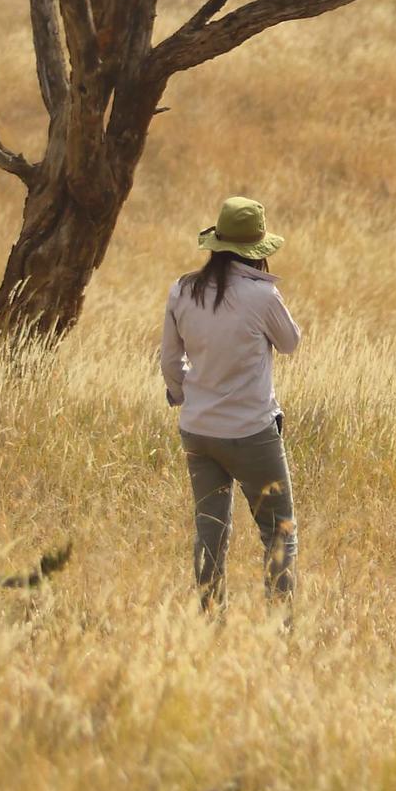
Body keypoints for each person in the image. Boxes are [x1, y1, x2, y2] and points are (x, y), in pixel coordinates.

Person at [158, 195, 301, 610]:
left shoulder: (183, 289)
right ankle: (279, 624)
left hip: (198, 429)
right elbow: (290, 343)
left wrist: (184, 395)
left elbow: (169, 361)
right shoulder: (262, 295)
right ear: (257, 249)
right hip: (252, 430)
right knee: (279, 531)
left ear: (217, 244)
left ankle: (210, 620)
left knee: (210, 530)